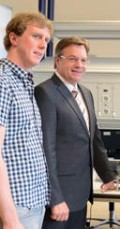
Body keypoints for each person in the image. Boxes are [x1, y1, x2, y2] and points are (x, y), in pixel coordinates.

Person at [34, 37, 115, 229]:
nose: (79, 65)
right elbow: (47, 150)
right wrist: (55, 199)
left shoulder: (86, 93)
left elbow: (94, 140)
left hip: (80, 193)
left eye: (83, 60)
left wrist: (107, 176)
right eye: (72, 59)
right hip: (59, 197)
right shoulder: (45, 93)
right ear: (57, 60)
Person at [0, 12, 53, 229]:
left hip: (33, 201)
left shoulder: (25, 81)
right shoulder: (3, 81)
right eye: (36, 37)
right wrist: (10, 219)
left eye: (47, 40)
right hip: (15, 206)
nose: (43, 46)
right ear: (14, 38)